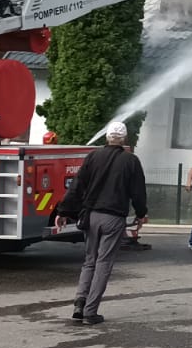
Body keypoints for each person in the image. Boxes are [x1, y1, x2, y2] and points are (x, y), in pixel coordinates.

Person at [53, 120, 148, 324]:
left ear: (107, 137)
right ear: (124, 140)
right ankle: (90, 312)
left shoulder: (93, 156)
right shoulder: (131, 161)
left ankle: (80, 301)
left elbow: (77, 186)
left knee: (89, 261)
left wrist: (63, 211)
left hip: (91, 216)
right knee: (103, 263)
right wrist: (141, 214)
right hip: (113, 218)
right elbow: (138, 192)